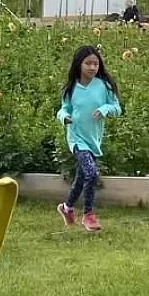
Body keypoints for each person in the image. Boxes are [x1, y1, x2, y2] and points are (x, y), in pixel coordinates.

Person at [57, 45, 121, 234]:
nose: (92, 67)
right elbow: (63, 109)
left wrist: (105, 110)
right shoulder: (71, 88)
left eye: (95, 63)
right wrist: (63, 117)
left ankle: (67, 208)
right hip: (76, 138)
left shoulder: (104, 86)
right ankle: (88, 214)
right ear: (79, 64)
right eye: (88, 63)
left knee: (81, 177)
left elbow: (116, 107)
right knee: (91, 172)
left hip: (94, 139)